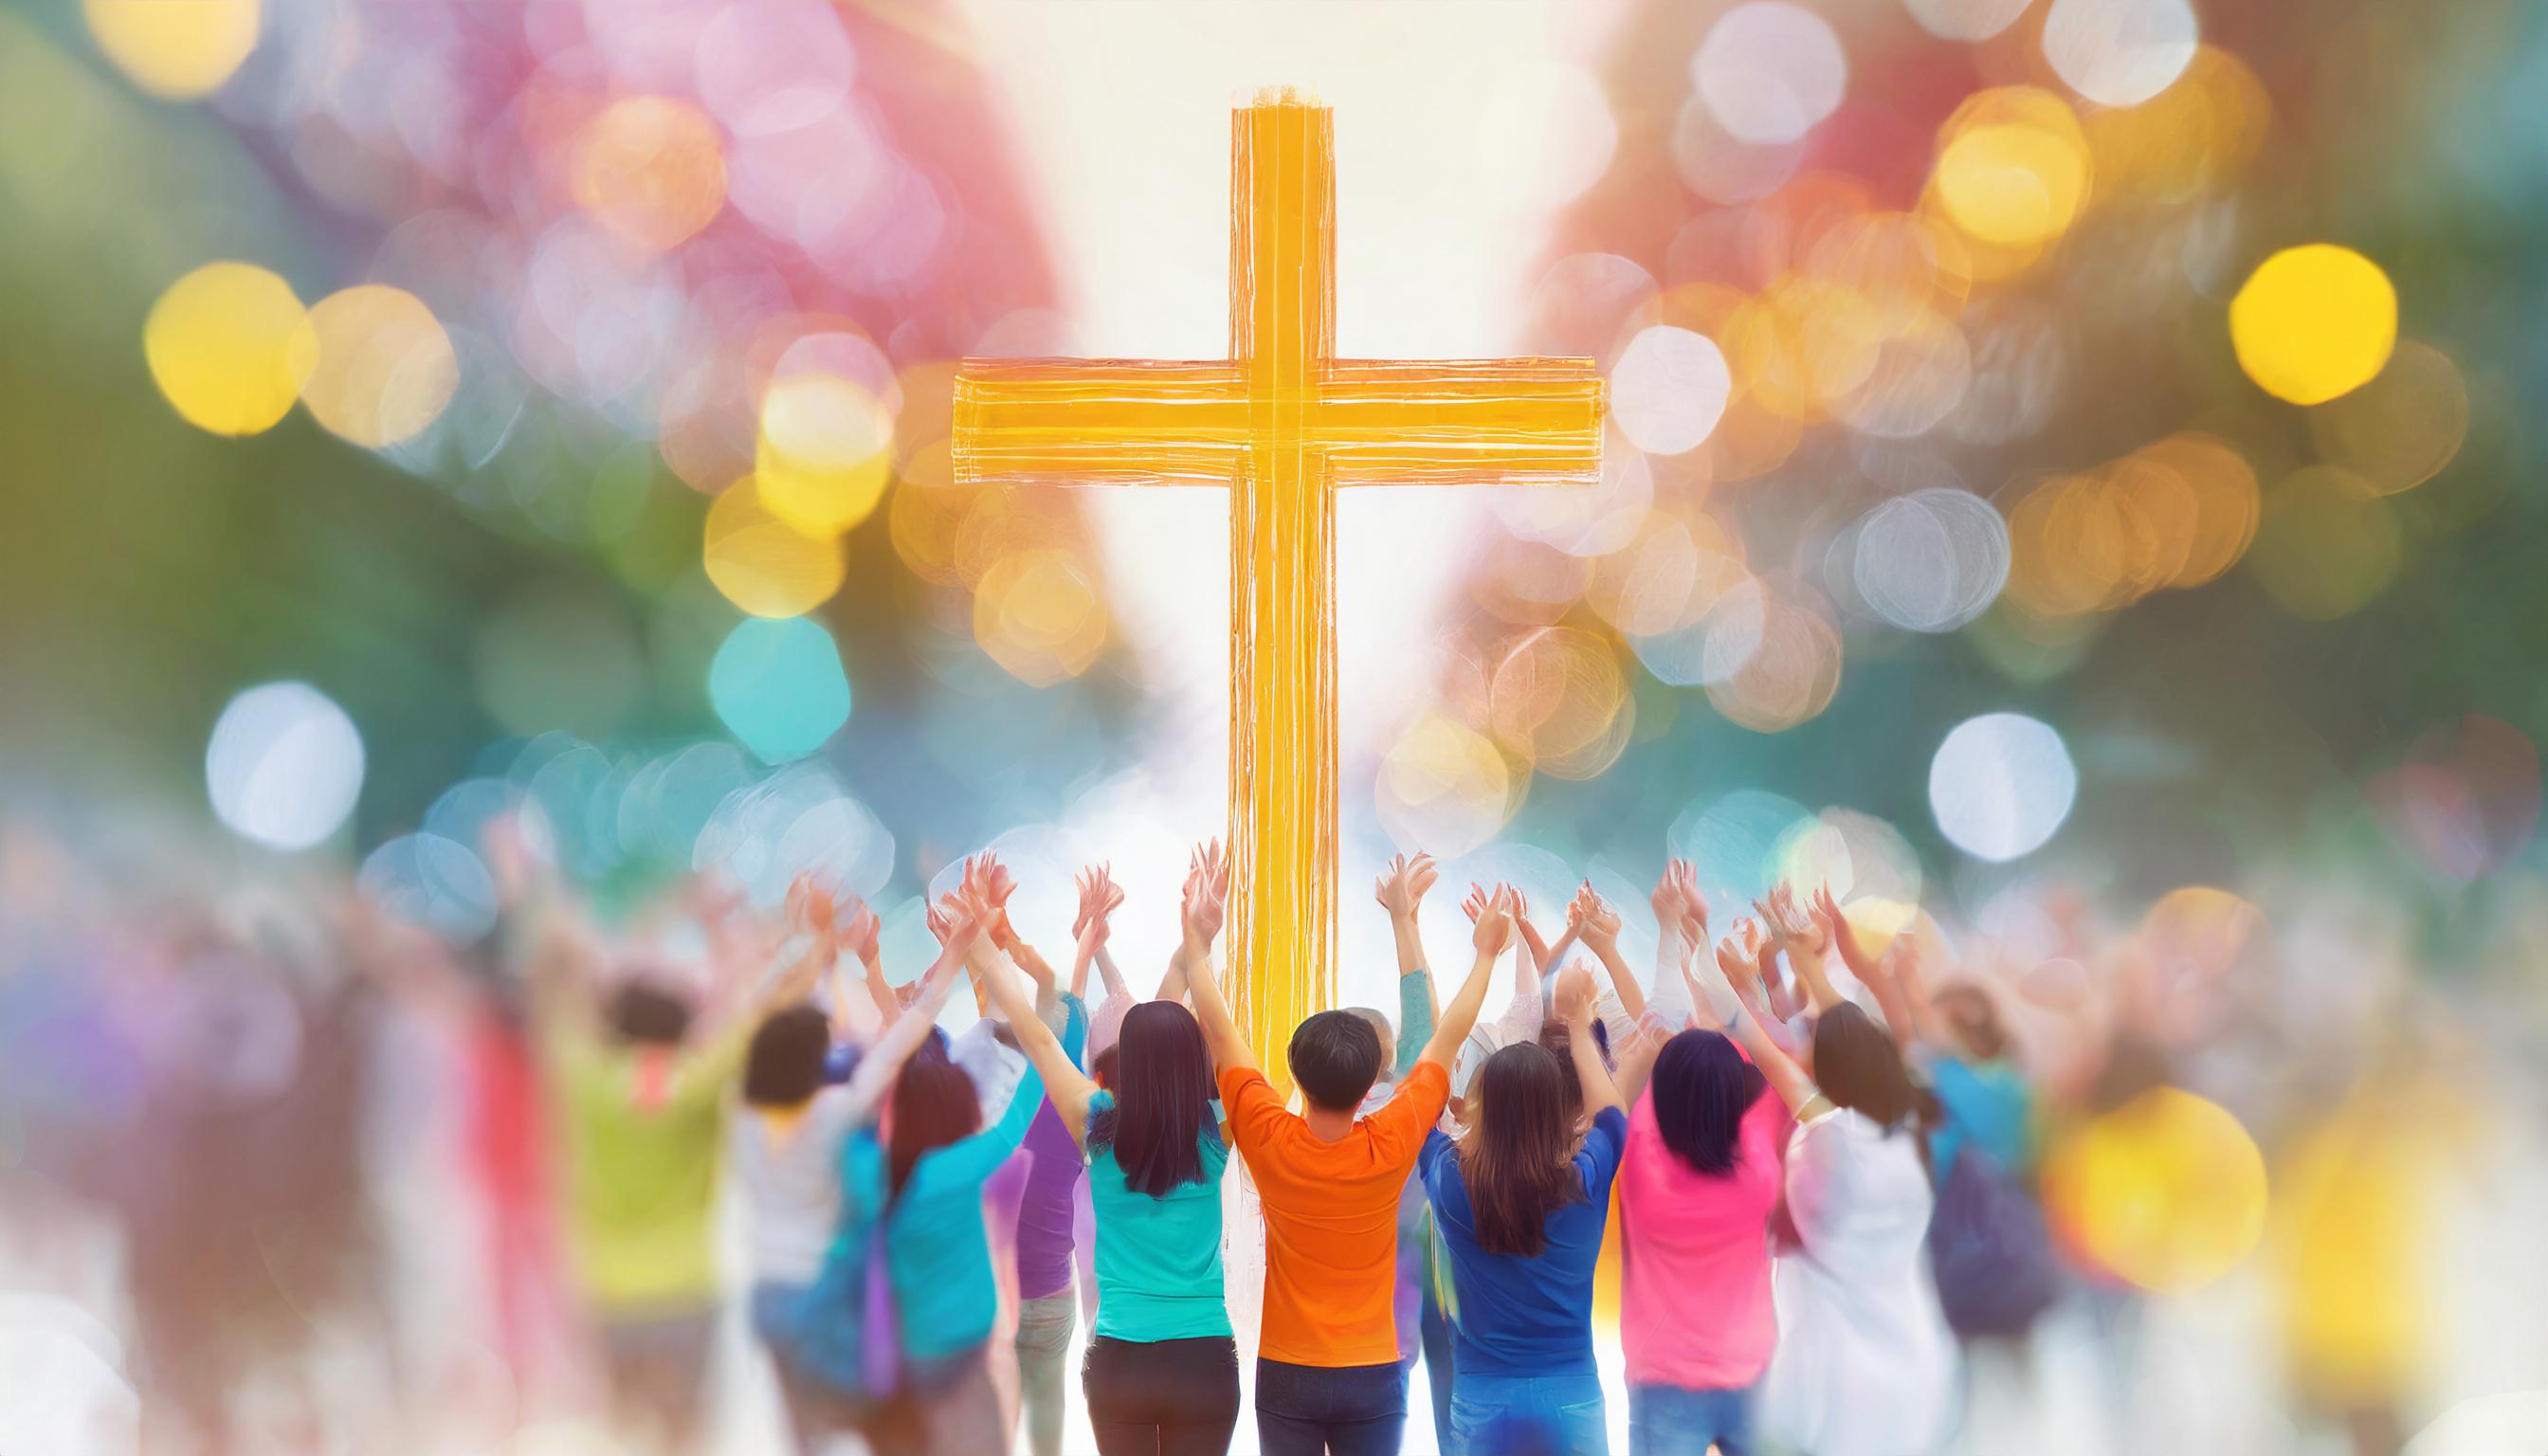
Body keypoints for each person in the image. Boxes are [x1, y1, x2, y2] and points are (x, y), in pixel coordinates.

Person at [1189, 840, 1512, 1456]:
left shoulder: (1266, 1132)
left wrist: (1198, 943)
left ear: (1294, 1075)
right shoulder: (1394, 1136)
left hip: (1286, 1370)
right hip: (1374, 1370)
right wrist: (1487, 955)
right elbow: (1444, 1037)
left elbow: (1221, 1035)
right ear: (1373, 1084)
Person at [535, 862, 835, 1455]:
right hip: (687, 1290)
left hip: (604, 1291)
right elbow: (752, 1009)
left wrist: (552, 906)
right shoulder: (699, 1079)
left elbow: (557, 996)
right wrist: (756, 932)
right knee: (685, 1441)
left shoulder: (586, 1076)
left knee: (624, 1436)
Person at [975, 850, 1242, 1456]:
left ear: (1123, 1066)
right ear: (1197, 1065)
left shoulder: (1096, 1124)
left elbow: (1040, 1036)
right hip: (1203, 1360)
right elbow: (1218, 1035)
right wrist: (1198, 940)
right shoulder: (1218, 1128)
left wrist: (983, 946)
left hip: (1120, 1360)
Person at [734, 899, 981, 1452]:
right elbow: (903, 1042)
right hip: (822, 1290)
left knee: (800, 1430)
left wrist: (814, 949)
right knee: (867, 1415)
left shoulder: (742, 1116)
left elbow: (757, 1024)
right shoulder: (833, 1114)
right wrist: (958, 953)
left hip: (766, 1293)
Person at [1615, 904, 1824, 1456]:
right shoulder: (1758, 1165)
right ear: (1737, 1095)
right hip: (1753, 1373)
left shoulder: (1638, 1159)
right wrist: (1730, 968)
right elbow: (1778, 1056)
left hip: (1663, 1382)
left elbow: (1644, 1064)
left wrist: (1672, 938)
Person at [1753, 904, 1957, 1456]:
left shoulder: (1830, 1137)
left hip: (1830, 1385)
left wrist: (1792, 961)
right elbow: (1886, 1040)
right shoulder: (1911, 1124)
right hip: (1915, 1366)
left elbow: (1767, 1052)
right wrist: (1815, 966)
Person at [1418, 964, 1631, 1454]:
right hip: (1570, 1397)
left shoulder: (1453, 1183)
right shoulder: (1583, 1183)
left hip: (1485, 1399)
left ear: (1482, 1106)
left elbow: (1420, 1097)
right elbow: (1612, 1116)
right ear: (1558, 1107)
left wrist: (1483, 959)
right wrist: (1580, 1027)